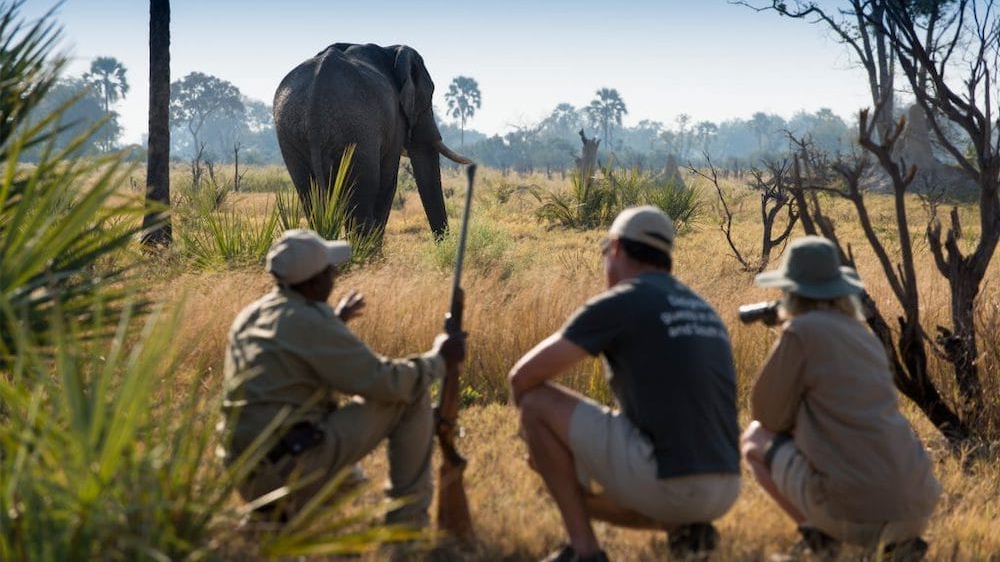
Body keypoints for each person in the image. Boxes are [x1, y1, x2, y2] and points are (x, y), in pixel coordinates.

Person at [508, 206, 741, 562]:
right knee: (581, 474)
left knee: (536, 404)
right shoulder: (702, 307)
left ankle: (584, 551)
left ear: (616, 248)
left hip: (671, 482)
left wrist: (541, 449)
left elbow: (523, 377)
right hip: (725, 486)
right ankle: (684, 528)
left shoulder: (622, 301)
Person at [219, 228, 465, 526]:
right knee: (411, 395)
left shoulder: (251, 316)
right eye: (329, 270)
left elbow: (291, 354)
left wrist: (334, 322)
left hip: (246, 471)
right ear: (312, 283)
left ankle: (278, 517)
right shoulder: (312, 323)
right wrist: (439, 358)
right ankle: (408, 525)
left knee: (345, 474)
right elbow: (386, 382)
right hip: (287, 468)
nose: (335, 274)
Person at [740, 236, 941, 561]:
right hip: (915, 510)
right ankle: (897, 544)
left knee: (754, 439)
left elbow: (768, 415)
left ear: (791, 291)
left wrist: (788, 331)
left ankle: (820, 541)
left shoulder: (801, 332)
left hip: (854, 514)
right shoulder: (865, 337)